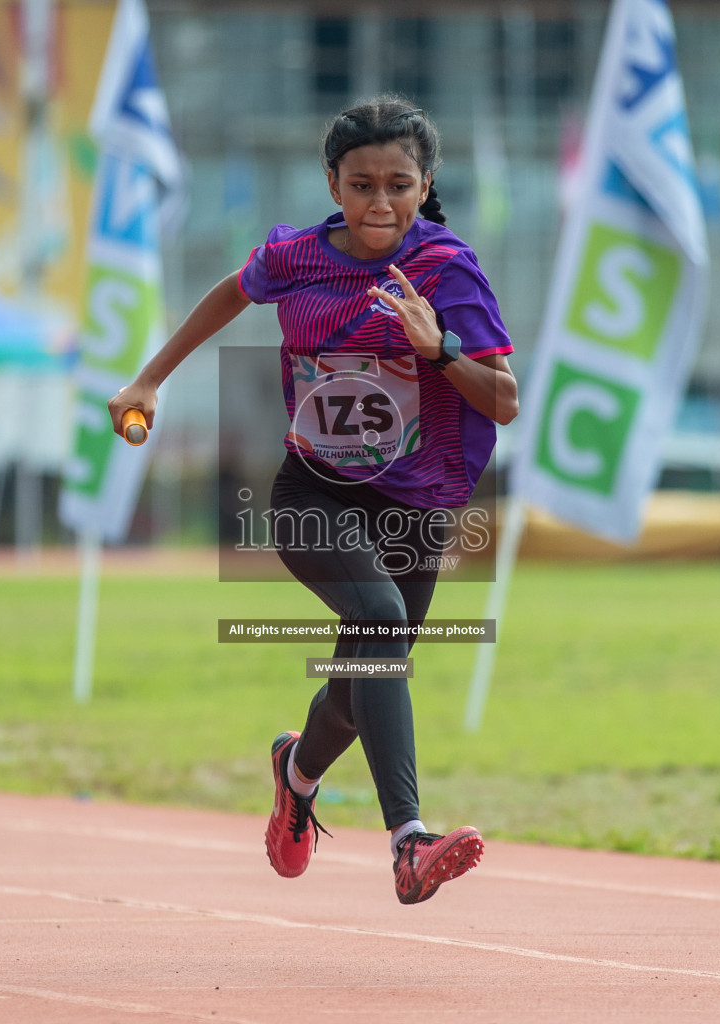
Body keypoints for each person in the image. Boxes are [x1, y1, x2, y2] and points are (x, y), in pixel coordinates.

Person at [108, 96, 517, 904]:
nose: (380, 202)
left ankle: (294, 775)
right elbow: (232, 292)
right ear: (333, 183)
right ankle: (409, 842)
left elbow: (502, 399)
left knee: (360, 687)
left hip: (415, 508)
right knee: (382, 626)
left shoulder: (447, 271)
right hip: (314, 492)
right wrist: (150, 377)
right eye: (361, 183)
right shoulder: (296, 257)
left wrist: (438, 351)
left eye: (399, 184)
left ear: (424, 183)